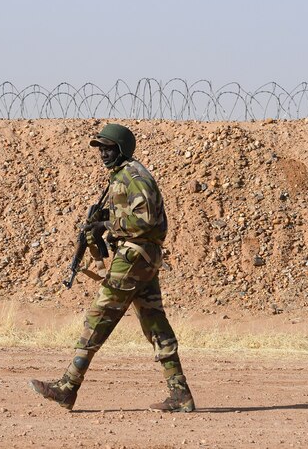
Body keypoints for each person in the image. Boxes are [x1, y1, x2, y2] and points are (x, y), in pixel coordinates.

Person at [29, 123, 195, 413]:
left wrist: (108, 225)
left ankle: (67, 387)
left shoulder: (133, 176)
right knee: (156, 324)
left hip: (133, 257)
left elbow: (146, 221)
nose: (103, 154)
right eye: (101, 148)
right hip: (142, 258)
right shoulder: (121, 176)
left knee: (99, 317)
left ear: (122, 149)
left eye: (109, 148)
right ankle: (179, 393)